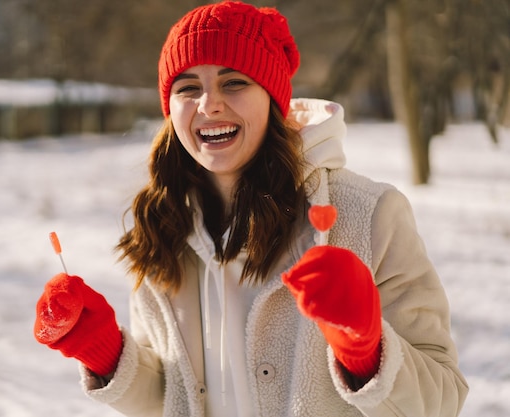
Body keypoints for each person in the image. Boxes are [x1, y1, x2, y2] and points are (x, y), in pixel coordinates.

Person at [33, 1, 469, 416]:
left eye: (234, 82)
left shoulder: (369, 216)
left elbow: (443, 401)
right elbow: (172, 398)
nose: (209, 104)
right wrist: (104, 351)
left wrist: (366, 350)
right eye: (188, 88)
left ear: (273, 99)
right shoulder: (162, 225)